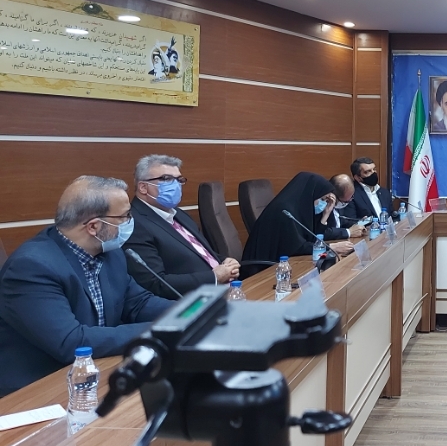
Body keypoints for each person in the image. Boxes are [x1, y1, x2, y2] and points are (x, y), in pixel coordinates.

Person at [0, 176, 173, 397]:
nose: (131, 222)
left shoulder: (110, 253)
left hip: (93, 373)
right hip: (35, 390)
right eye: (125, 216)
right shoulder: (31, 267)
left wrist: (189, 313)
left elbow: (138, 303)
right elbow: (71, 342)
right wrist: (163, 331)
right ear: (93, 226)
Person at [125, 154, 240, 299]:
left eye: (179, 180)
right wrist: (214, 277)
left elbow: (199, 254)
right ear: (143, 187)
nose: (175, 185)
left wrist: (225, 261)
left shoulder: (179, 214)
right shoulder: (134, 224)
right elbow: (155, 283)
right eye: (167, 179)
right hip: (192, 302)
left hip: (228, 292)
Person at [243, 172, 354, 262]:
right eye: (323, 199)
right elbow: (296, 248)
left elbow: (313, 238)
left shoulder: (302, 211)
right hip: (263, 269)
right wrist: (331, 247)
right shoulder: (285, 211)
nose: (323, 203)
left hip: (284, 262)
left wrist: (325, 215)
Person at [321, 174, 366, 240]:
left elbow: (340, 222)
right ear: (333, 197)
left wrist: (359, 223)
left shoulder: (338, 205)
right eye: (346, 201)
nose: (350, 200)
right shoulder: (320, 208)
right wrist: (348, 232)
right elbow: (322, 233)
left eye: (352, 196)